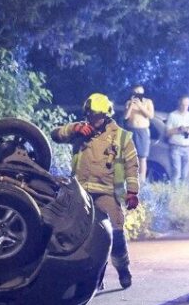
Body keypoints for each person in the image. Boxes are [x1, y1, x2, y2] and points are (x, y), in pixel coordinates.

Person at [52, 93, 139, 289]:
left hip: (108, 192)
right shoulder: (79, 131)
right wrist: (74, 128)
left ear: (107, 115)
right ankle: (93, 278)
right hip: (80, 191)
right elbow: (55, 135)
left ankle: (123, 270)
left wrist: (132, 192)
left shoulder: (121, 136)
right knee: (82, 239)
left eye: (98, 116)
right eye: (90, 115)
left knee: (116, 236)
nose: (94, 119)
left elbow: (132, 165)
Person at [124, 85, 154, 182]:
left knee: (142, 157)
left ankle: (142, 180)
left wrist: (140, 106)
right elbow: (125, 117)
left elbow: (150, 115)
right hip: (131, 130)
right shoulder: (129, 102)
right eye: (135, 92)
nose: (137, 94)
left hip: (142, 131)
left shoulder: (148, 102)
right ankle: (130, 179)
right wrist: (131, 106)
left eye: (139, 93)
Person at [165, 95, 189, 183]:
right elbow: (167, 133)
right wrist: (179, 129)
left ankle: (181, 192)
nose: (184, 107)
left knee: (185, 174)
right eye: (183, 104)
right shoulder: (172, 115)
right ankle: (175, 193)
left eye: (187, 105)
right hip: (175, 147)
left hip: (187, 147)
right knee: (176, 172)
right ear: (179, 103)